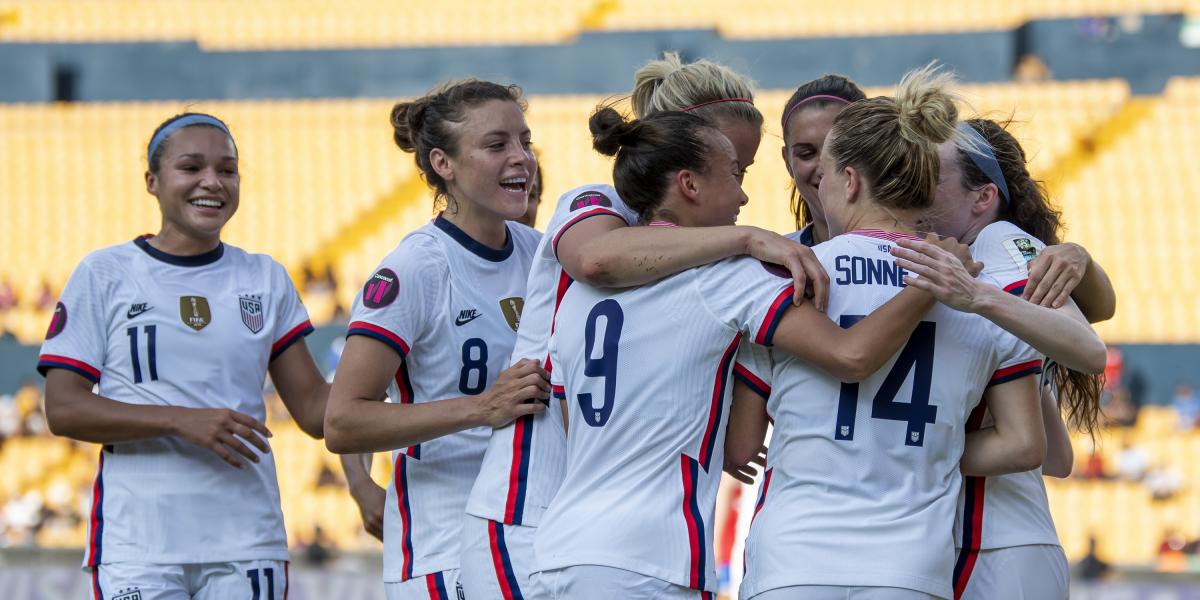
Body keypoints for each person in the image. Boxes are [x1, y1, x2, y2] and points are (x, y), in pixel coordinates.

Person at [533, 99, 976, 599]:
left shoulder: (575, 296)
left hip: (558, 552)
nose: (744, 196)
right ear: (690, 185)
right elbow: (851, 354)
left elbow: (575, 420)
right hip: (648, 558)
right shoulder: (727, 277)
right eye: (735, 174)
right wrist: (929, 285)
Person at [461, 53, 830, 599]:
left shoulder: (698, 253)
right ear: (684, 158)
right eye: (732, 167)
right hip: (527, 504)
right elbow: (597, 260)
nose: (742, 189)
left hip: (597, 524)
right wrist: (747, 238)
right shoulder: (598, 206)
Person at [732, 66, 1046, 600]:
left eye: (826, 173)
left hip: (793, 560)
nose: (818, 186)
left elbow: (741, 445)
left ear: (850, 180)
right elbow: (1024, 441)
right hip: (911, 569)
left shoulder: (786, 275)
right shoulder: (979, 290)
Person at [38, 112, 328, 600]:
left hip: (246, 541)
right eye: (191, 167)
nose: (212, 182)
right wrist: (179, 420)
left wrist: (393, 371)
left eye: (228, 169)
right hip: (139, 545)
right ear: (152, 181)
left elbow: (317, 412)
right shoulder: (105, 273)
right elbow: (63, 408)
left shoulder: (265, 277)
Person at [322, 79, 548, 600]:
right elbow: (343, 421)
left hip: (532, 537)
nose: (521, 158)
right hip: (444, 547)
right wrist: (480, 408)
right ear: (443, 164)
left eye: (524, 141)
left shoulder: (542, 255)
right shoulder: (416, 268)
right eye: (497, 146)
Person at [900, 118, 1113, 599]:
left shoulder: (999, 244)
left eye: (931, 174)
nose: (913, 185)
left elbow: (1089, 350)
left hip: (992, 550)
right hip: (995, 543)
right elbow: (1055, 458)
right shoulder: (963, 258)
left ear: (983, 198)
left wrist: (895, 451)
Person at [779, 74, 867, 245]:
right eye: (806, 154)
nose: (823, 169)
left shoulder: (920, 259)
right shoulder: (771, 265)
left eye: (839, 150)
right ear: (787, 162)